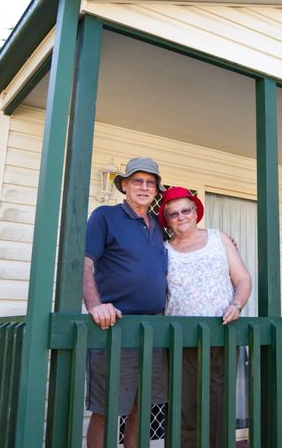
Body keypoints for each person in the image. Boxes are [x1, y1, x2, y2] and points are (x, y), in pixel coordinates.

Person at [83, 157, 169, 448]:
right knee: (107, 410)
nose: (144, 187)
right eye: (137, 181)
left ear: (156, 190)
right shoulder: (104, 216)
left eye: (150, 182)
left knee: (141, 408)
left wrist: (224, 242)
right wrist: (95, 304)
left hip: (155, 329)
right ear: (125, 186)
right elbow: (84, 262)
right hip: (115, 327)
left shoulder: (159, 226)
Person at [158, 186, 253, 447]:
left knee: (219, 405)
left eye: (185, 210)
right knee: (184, 405)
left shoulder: (219, 238)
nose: (181, 217)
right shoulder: (162, 249)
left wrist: (237, 304)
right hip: (180, 338)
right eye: (173, 213)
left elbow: (243, 279)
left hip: (221, 333)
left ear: (195, 211)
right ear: (166, 219)